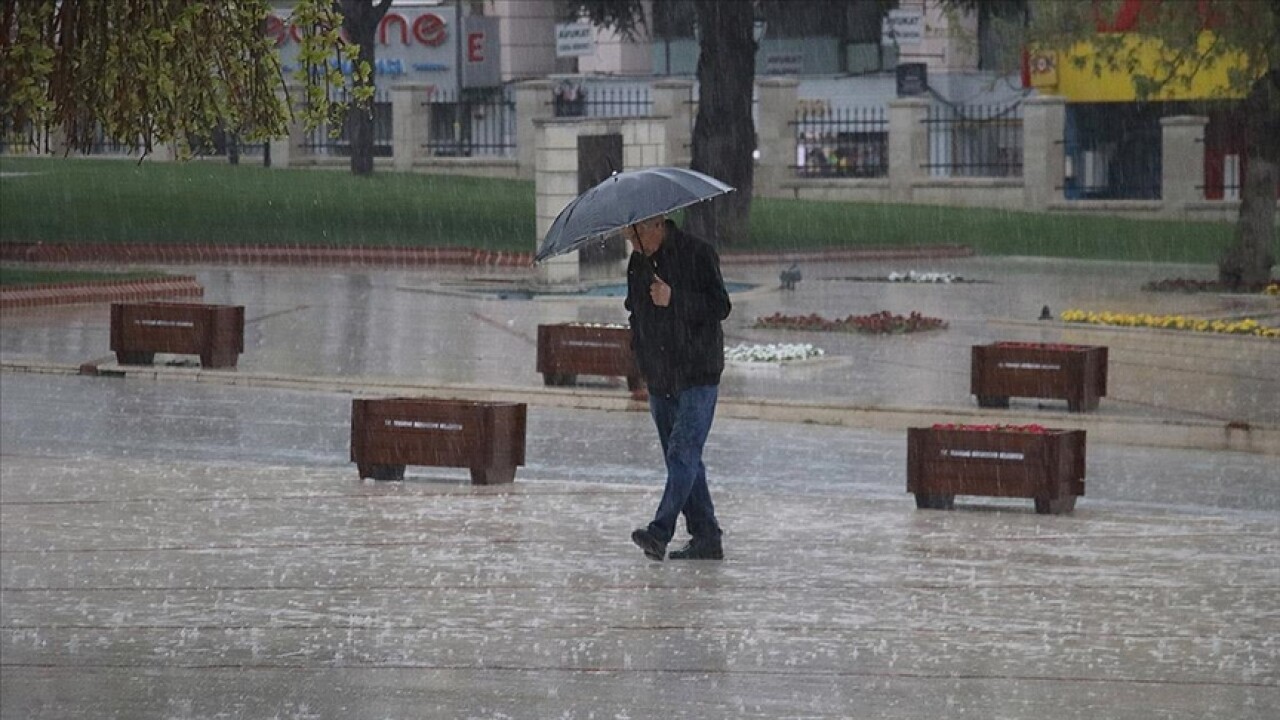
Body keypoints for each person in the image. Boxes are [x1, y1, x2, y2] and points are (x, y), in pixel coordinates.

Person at [625, 215, 732, 561]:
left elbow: (720, 306)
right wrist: (640, 352)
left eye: (636, 231)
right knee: (686, 461)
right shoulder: (638, 262)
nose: (631, 239)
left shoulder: (698, 253)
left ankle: (660, 531)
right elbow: (635, 312)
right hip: (660, 376)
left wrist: (674, 298)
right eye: (627, 233)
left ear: (657, 224)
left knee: (682, 454)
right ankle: (706, 536)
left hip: (697, 373)